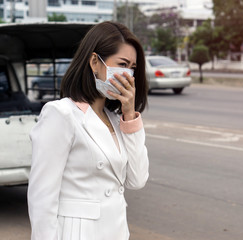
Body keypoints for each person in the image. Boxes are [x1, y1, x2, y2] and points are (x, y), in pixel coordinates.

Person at [27, 21, 149, 240]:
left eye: (132, 68)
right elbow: (42, 197)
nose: (128, 75)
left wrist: (129, 116)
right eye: (122, 64)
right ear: (95, 61)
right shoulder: (61, 114)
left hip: (115, 231)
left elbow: (137, 180)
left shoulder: (116, 119)